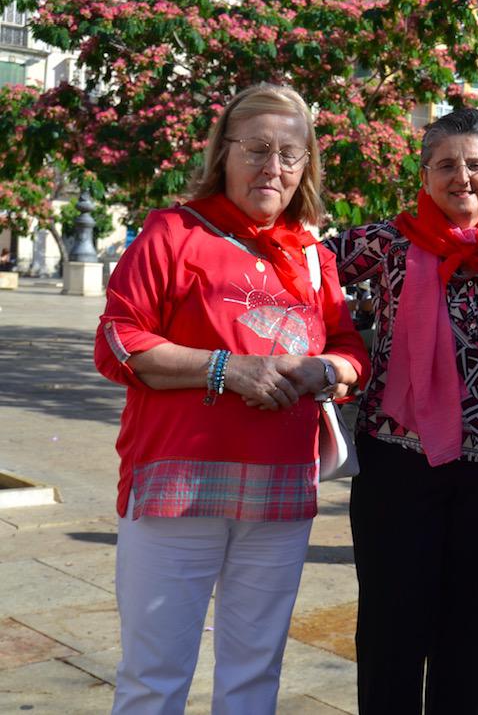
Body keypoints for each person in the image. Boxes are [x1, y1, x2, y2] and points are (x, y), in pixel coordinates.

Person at [94, 83, 370, 714]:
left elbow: (352, 349)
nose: (273, 167)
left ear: (307, 166)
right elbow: (119, 342)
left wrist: (321, 370)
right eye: (258, 148)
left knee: (254, 674)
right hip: (176, 486)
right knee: (154, 674)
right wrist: (227, 369)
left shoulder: (312, 254)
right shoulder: (172, 233)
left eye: (290, 154)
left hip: (279, 490)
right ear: (224, 153)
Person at [324, 107, 478, 714]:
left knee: (467, 637)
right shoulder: (386, 241)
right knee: (390, 631)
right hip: (397, 467)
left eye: (475, 164)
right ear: (423, 176)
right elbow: (304, 269)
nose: (462, 177)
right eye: (445, 165)